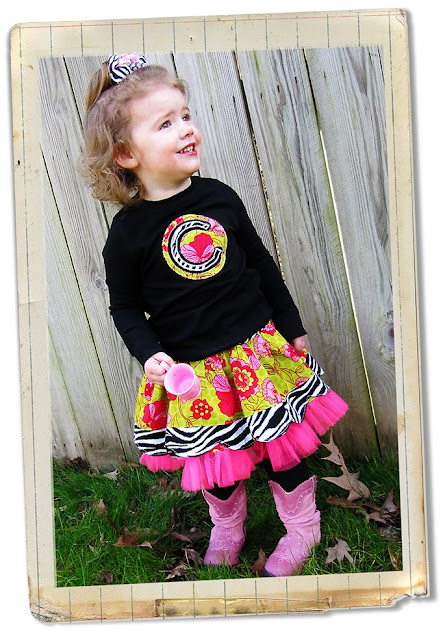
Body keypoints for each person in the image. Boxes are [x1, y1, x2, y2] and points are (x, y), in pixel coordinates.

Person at [81, 53, 348, 577]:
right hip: (195, 374)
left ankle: (302, 528)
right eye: (165, 123)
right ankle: (227, 527)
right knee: (217, 463)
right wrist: (150, 354)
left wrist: (291, 325)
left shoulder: (219, 197)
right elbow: (125, 307)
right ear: (126, 153)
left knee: (283, 448)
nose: (186, 128)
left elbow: (262, 264)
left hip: (257, 355)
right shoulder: (128, 235)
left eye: (185, 115)